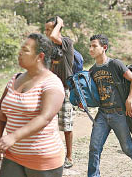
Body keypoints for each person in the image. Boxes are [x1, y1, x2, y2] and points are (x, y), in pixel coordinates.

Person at [0, 33, 65, 176]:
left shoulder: (52, 83)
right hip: (13, 155)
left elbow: (45, 118)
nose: (20, 53)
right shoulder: (15, 79)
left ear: (40, 56)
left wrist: (13, 137)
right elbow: (0, 114)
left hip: (43, 158)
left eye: (25, 50)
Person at [88, 34, 132, 177]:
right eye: (90, 46)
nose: (91, 49)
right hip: (103, 114)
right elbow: (93, 94)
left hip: (119, 114)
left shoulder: (115, 64)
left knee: (128, 148)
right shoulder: (92, 70)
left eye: (94, 46)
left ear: (104, 48)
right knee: (94, 148)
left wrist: (129, 100)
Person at [44, 16, 74, 168]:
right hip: (51, 90)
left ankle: (69, 157)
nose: (47, 32)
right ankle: (52, 154)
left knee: (66, 125)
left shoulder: (67, 42)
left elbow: (55, 36)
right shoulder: (49, 46)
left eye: (49, 28)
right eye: (46, 29)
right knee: (48, 124)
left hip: (65, 89)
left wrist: (60, 22)